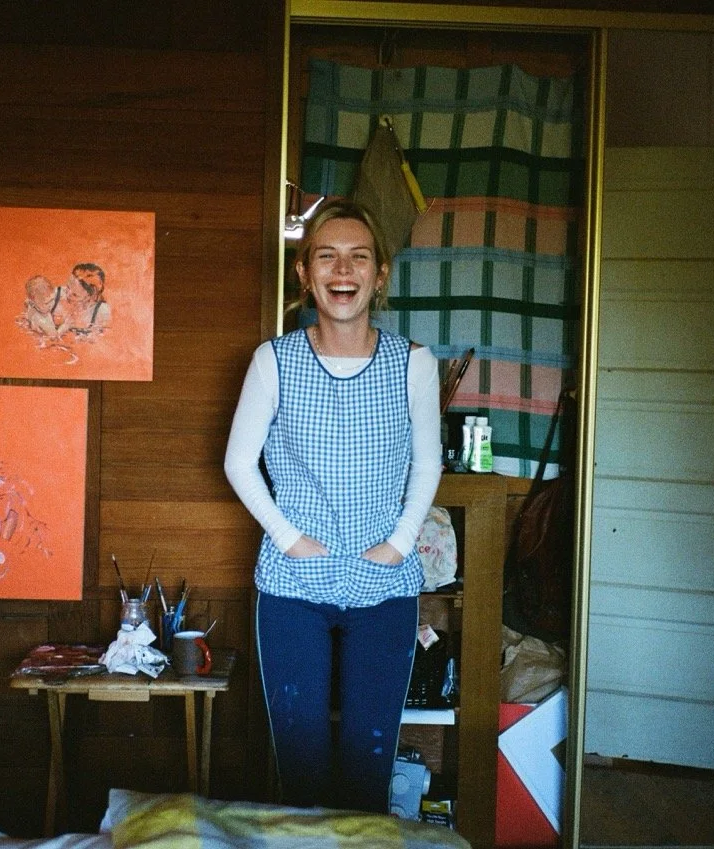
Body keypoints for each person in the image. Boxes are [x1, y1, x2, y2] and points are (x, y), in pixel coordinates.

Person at [224, 199, 442, 813]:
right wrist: (289, 539)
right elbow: (239, 463)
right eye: (327, 256)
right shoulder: (273, 361)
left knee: (368, 766)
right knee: (301, 767)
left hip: (384, 585)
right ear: (304, 273)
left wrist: (398, 544)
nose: (343, 271)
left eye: (358, 257)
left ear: (380, 275)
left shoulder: (413, 364)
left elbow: (427, 464)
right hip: (294, 584)